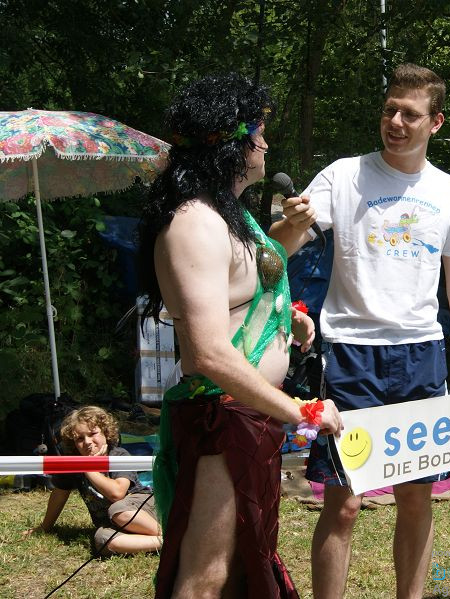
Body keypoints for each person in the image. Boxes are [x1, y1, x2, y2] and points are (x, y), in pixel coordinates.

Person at [269, 63, 450, 599]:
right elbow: (277, 248)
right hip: (349, 354)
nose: (395, 121)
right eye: (390, 109)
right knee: (344, 501)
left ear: (435, 123)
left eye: (410, 114)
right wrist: (293, 222)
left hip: (420, 356)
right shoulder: (343, 176)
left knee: (416, 496)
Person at [136, 72, 341, 598]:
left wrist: (286, 309)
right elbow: (206, 352)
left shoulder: (228, 215)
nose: (266, 144)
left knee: (240, 567)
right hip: (218, 418)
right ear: (230, 144)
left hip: (241, 417)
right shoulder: (194, 223)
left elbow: (251, 278)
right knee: (208, 575)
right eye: (259, 133)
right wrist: (301, 410)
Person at [25, 406, 162, 555]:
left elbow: (117, 493)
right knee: (102, 539)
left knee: (117, 510)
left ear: (106, 432)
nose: (88, 442)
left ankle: (170, 534)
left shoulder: (118, 456)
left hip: (142, 510)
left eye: (92, 434)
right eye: (80, 439)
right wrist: (45, 527)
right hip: (116, 523)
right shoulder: (75, 464)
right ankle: (163, 542)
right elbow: (60, 493)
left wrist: (89, 469)